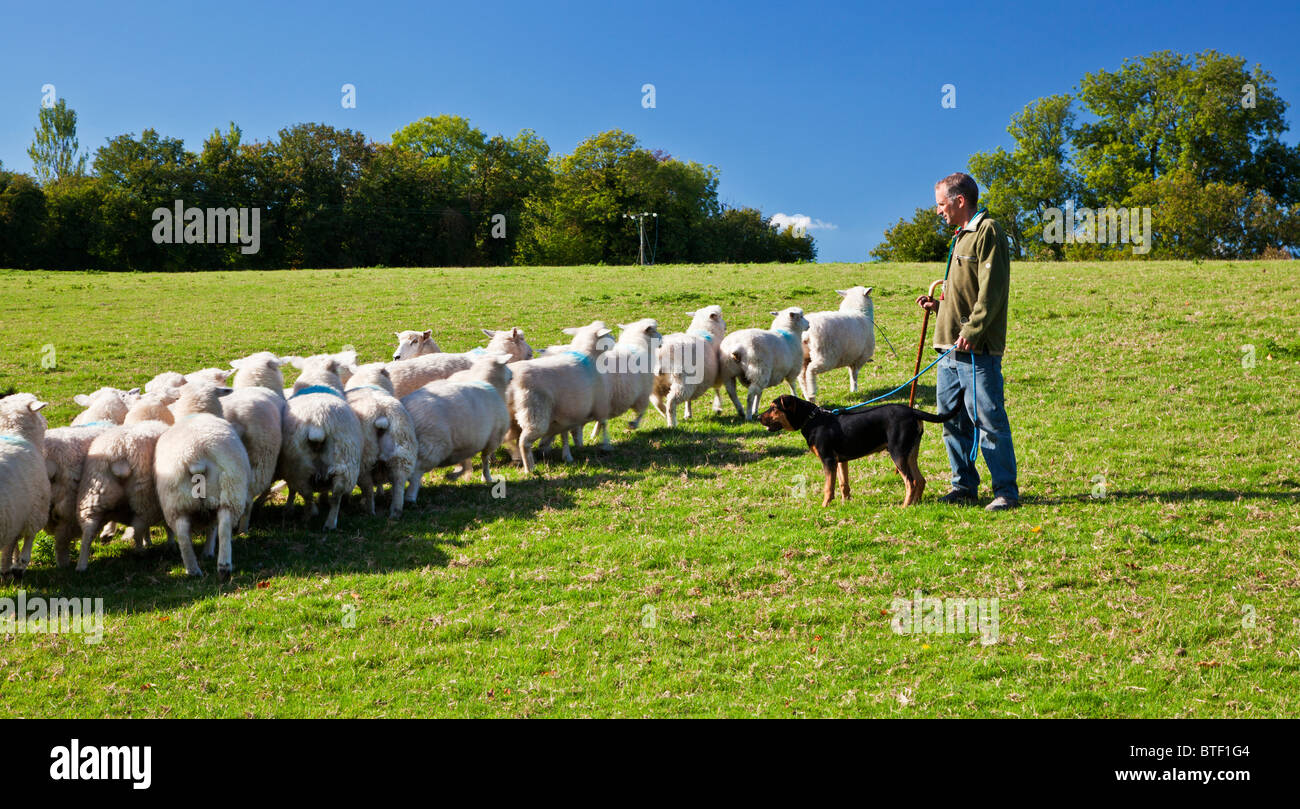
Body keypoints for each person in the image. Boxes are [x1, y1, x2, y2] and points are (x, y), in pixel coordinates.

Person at [915, 173, 1019, 510]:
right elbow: (964, 292)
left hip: (976, 349)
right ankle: (963, 488)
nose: (938, 212)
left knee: (988, 420)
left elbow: (992, 290)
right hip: (947, 348)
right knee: (952, 422)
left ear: (960, 201)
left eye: (941, 205)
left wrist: (972, 332)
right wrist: (939, 307)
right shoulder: (960, 236)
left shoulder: (988, 231)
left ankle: (1005, 492)